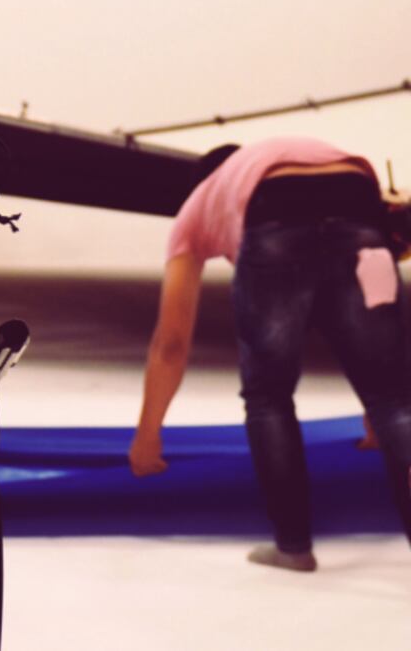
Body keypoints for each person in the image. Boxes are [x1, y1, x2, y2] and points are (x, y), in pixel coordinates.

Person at [130, 138, 411, 570]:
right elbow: (367, 315)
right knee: (393, 398)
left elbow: (171, 342)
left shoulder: (200, 204)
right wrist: (377, 406)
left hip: (274, 213)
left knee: (269, 397)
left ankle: (293, 548)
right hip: (359, 201)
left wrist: (148, 434)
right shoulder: (291, 153)